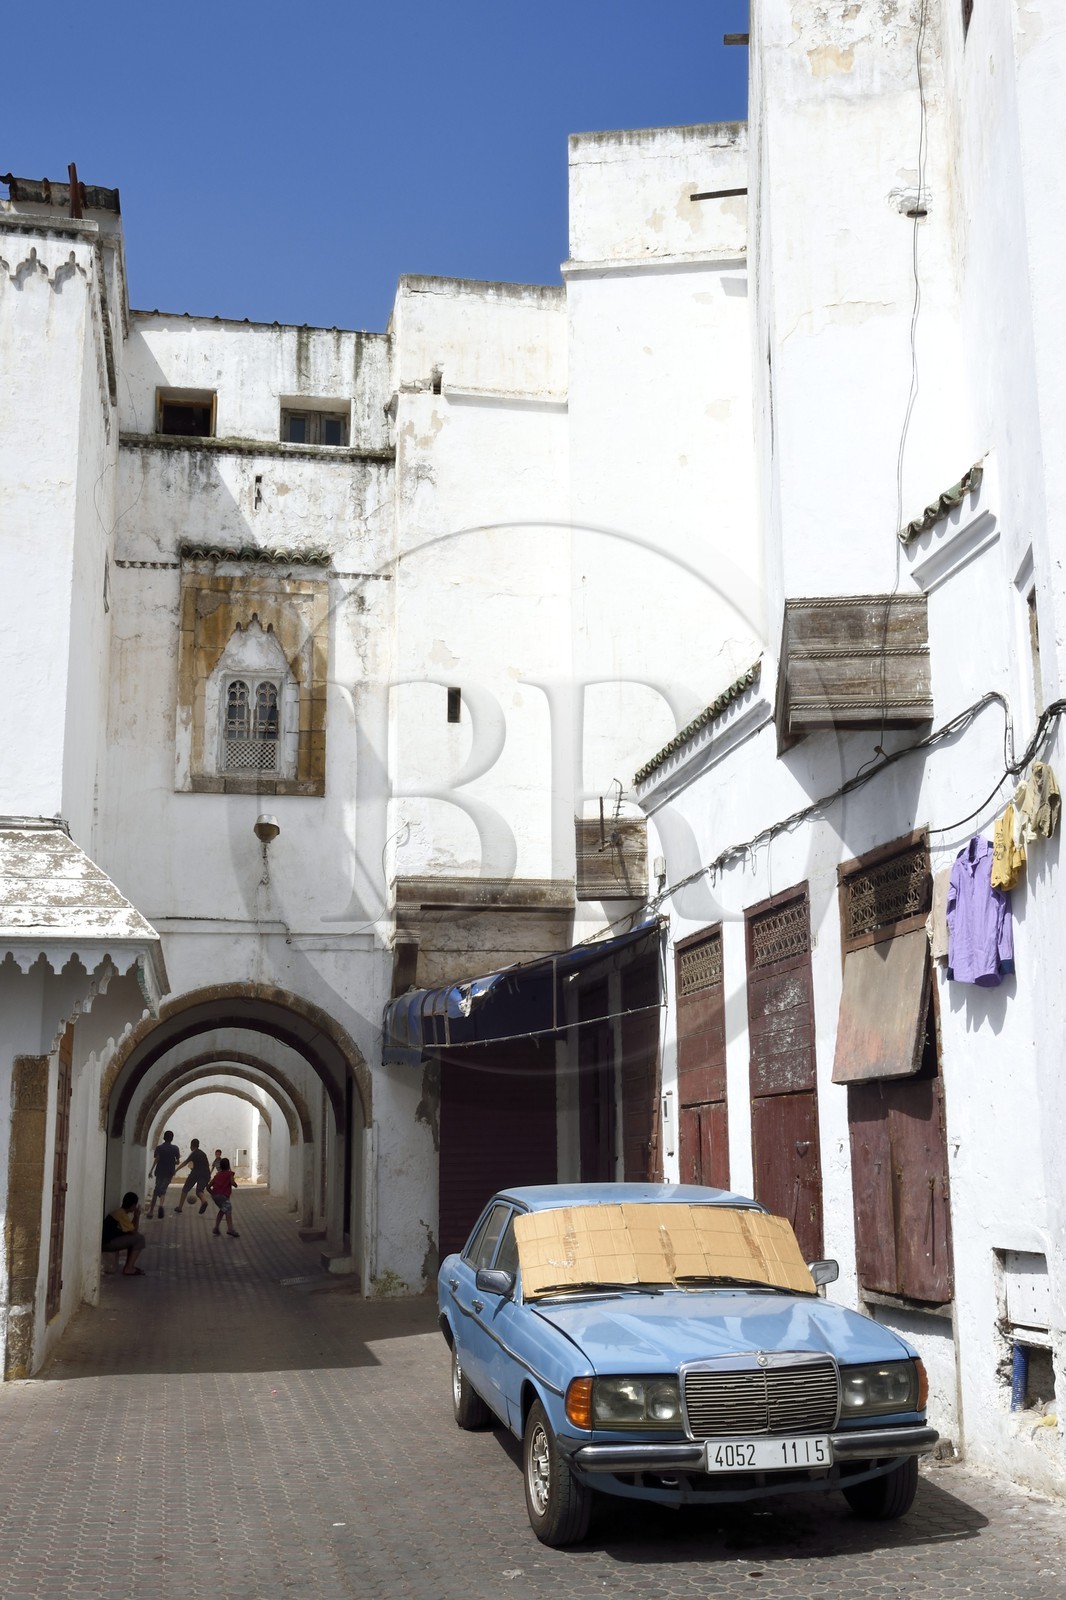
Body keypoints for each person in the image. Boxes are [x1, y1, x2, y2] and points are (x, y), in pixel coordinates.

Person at [101, 1192, 147, 1276]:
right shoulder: (121, 1214)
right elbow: (134, 1232)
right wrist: (137, 1217)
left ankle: (129, 1266)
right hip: (107, 1243)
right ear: (133, 1205)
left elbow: (130, 1229)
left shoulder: (119, 1212)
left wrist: (135, 1217)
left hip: (107, 1241)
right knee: (140, 1239)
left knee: (135, 1239)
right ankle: (129, 1268)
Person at [147, 1130, 181, 1218]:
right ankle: (161, 1206)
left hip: (159, 1171)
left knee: (156, 1189)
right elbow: (178, 1161)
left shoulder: (159, 1148)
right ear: (172, 1138)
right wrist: (174, 1162)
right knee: (163, 1190)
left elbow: (157, 1159)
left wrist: (151, 1170)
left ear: (164, 1138)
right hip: (169, 1172)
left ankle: (151, 1211)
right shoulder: (175, 1148)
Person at [173, 1138, 212, 1214]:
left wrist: (176, 1170)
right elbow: (206, 1165)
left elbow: (185, 1162)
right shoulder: (203, 1153)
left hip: (196, 1173)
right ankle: (204, 1201)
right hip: (206, 1174)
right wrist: (209, 1176)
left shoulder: (194, 1153)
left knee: (185, 1189)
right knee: (199, 1191)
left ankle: (180, 1207)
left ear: (192, 1146)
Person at [209, 1158, 239, 1237]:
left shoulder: (217, 1175)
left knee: (223, 1210)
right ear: (228, 1166)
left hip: (215, 1195)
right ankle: (230, 1229)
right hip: (223, 1196)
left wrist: (213, 1194)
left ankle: (216, 1228)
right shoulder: (229, 1174)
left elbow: (208, 1187)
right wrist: (235, 1185)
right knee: (228, 1210)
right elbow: (232, 1182)